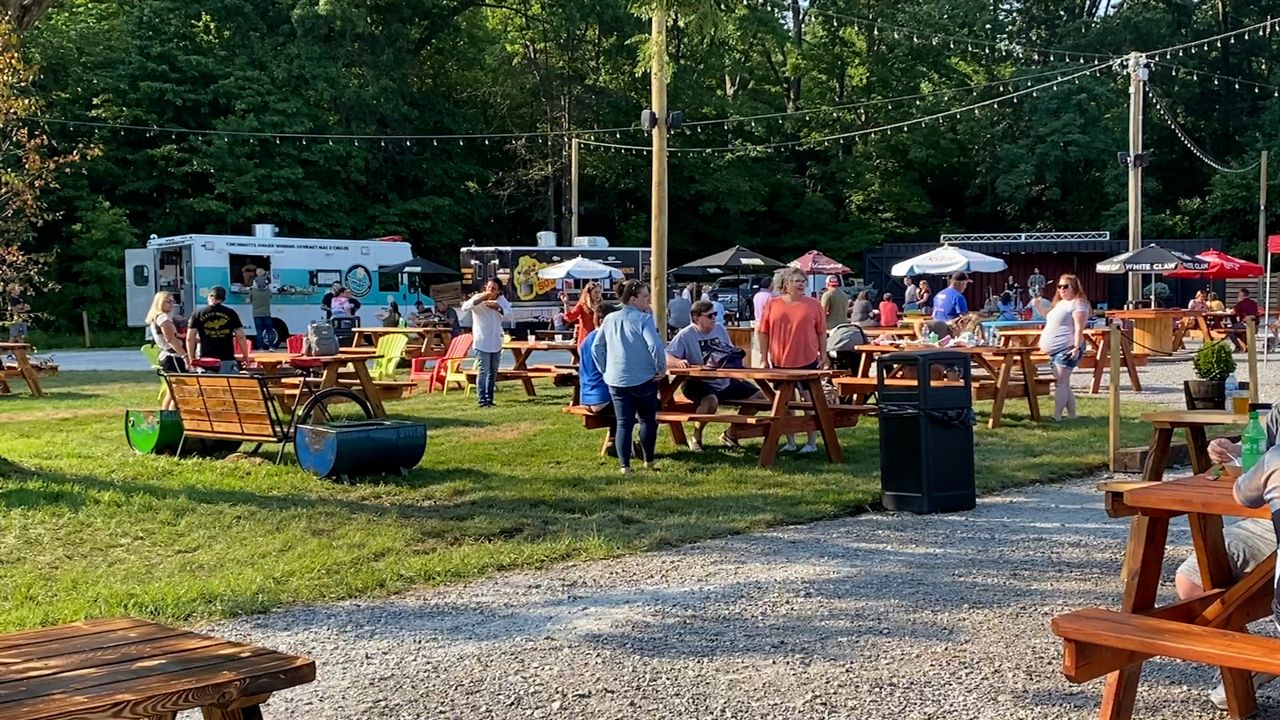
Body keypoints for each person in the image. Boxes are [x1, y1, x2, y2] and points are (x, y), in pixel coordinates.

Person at [1177, 405, 1280, 709]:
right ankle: (1252, 663)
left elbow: (1245, 490)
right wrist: (1237, 449)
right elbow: (1264, 448)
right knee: (1193, 582)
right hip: (1265, 522)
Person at [666, 300, 765, 450]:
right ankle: (696, 437)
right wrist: (678, 361)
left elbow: (730, 352)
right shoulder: (686, 334)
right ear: (696, 318)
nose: (714, 318)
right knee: (710, 401)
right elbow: (666, 355)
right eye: (710, 315)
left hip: (724, 379)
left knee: (759, 397)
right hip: (697, 382)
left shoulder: (720, 329)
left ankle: (731, 433)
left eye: (715, 314)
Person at [592, 280, 666, 474]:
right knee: (647, 421)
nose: (648, 301)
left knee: (623, 422)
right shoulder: (644, 319)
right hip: (644, 377)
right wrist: (661, 368)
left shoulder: (609, 319)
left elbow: (596, 347)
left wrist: (605, 370)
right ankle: (648, 461)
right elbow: (655, 346)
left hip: (616, 379)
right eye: (645, 297)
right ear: (633, 299)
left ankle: (625, 466)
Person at [759, 267, 827, 454]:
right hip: (780, 360)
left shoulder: (814, 304)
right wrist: (763, 358)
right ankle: (790, 441)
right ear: (786, 284)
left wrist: (824, 355)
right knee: (785, 403)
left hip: (807, 359)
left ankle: (811, 442)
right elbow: (763, 331)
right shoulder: (773, 304)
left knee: (808, 401)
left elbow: (821, 332)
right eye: (797, 280)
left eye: (803, 281)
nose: (801, 284)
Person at [1038, 274, 1090, 422]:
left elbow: (1079, 328)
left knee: (1060, 382)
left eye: (1065, 286)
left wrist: (1076, 347)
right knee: (1064, 383)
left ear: (1074, 287)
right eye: (1059, 286)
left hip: (1067, 348)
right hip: (1055, 350)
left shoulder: (1078, 303)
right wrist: (1038, 306)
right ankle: (1072, 414)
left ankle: (1057, 415)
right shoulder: (1060, 303)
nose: (1062, 289)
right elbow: (1048, 318)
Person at [578, 302, 623, 452]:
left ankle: (613, 441)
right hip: (602, 398)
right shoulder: (607, 341)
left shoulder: (586, 340)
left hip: (586, 398)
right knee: (646, 406)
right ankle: (628, 446)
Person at [461, 279, 512, 408]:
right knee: (483, 370)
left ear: (499, 291)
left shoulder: (501, 301)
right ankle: (482, 399)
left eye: (493, 288)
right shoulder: (479, 298)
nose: (490, 290)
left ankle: (490, 399)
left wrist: (498, 308)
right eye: (488, 287)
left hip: (495, 341)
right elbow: (465, 307)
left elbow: (510, 316)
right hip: (482, 341)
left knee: (493, 372)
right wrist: (481, 298)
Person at [186, 286, 250, 372]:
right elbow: (241, 336)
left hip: (206, 359)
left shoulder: (198, 313)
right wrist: (245, 356)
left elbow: (190, 338)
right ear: (223, 299)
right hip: (226, 358)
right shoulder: (231, 313)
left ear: (209, 296)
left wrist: (191, 358)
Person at [145, 292, 188, 410]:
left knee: (172, 391)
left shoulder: (158, 317)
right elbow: (170, 339)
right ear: (159, 303)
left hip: (168, 356)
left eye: (172, 301)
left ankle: (165, 417)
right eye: (167, 301)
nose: (171, 304)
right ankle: (174, 417)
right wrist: (184, 356)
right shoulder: (162, 317)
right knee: (180, 391)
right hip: (173, 357)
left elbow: (173, 335)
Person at [564, 281, 603, 347]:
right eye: (595, 292)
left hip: (598, 340)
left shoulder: (602, 306)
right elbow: (570, 318)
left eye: (599, 292)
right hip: (585, 340)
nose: (598, 295)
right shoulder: (582, 305)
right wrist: (566, 303)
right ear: (589, 293)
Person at [248, 275, 274, 349]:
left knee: (259, 331)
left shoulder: (253, 291)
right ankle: (271, 347)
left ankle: (261, 347)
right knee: (269, 331)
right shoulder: (268, 291)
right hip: (267, 314)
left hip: (257, 314)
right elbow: (271, 297)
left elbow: (248, 301)